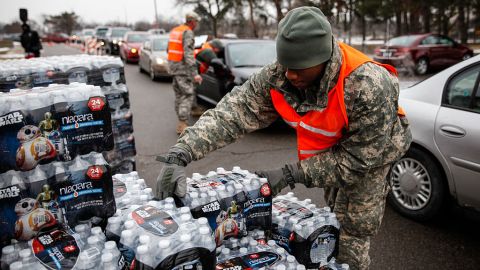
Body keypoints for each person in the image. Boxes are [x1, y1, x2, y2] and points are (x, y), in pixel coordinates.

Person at [156, 6, 412, 270]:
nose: (290, 74)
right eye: (286, 64)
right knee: (331, 216)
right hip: (333, 146)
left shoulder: (368, 85)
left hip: (370, 155)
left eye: (299, 67)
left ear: (323, 60)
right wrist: (181, 152)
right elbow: (233, 112)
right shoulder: (281, 74)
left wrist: (291, 174)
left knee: (353, 228)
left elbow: (358, 161)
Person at [167, 11, 204, 135]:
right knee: (187, 94)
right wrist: (195, 74)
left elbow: (169, 49)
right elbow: (188, 54)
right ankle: (182, 123)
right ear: (192, 21)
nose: (197, 24)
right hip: (183, 69)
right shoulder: (187, 32)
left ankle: (186, 115)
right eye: (197, 21)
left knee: (179, 95)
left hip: (174, 67)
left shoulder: (175, 30)